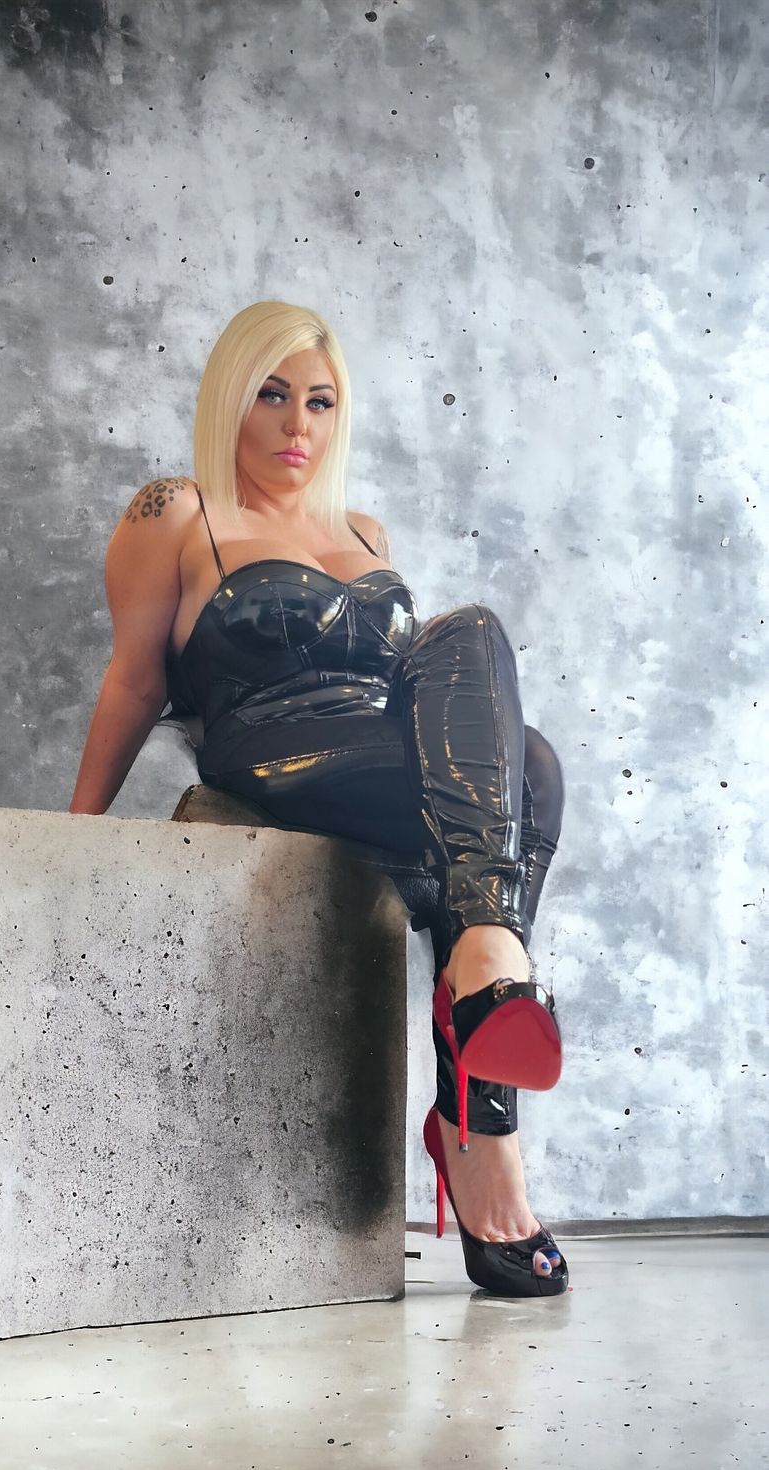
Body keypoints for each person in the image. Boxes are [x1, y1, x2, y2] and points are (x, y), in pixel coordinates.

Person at [70, 299, 569, 1298]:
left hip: (384, 751)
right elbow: (134, 679)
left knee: (512, 717)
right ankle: (482, 1115)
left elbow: (430, 696)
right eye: (272, 395)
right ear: (231, 398)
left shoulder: (363, 529)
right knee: (524, 775)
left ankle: (482, 968)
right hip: (273, 746)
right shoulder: (176, 510)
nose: (298, 425)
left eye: (320, 402)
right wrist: (74, 829)